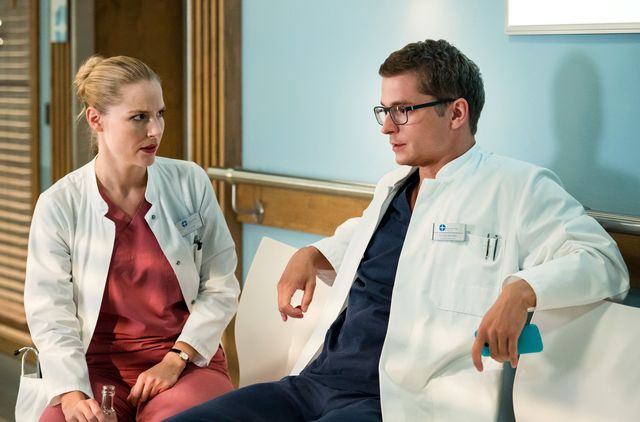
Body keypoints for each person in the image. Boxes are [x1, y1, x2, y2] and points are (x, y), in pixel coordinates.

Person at [169, 39, 629, 421]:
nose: (387, 127)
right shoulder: (393, 186)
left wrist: (522, 289)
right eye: (384, 110)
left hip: (395, 404)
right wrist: (314, 254)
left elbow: (602, 259)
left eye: (404, 110)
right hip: (312, 383)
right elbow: (374, 241)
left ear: (457, 113)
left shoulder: (517, 187)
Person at [23, 55, 240, 421]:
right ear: (96, 120)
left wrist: (177, 358)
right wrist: (73, 394)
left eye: (160, 114)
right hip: (93, 369)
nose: (155, 130)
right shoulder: (59, 204)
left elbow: (221, 285)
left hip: (185, 360)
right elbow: (50, 312)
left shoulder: (189, 182)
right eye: (139, 117)